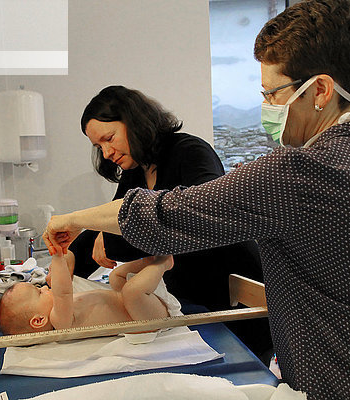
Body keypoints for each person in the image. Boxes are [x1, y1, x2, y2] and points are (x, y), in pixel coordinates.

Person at [42, 1, 350, 398]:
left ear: (321, 90)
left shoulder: (301, 172)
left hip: (348, 385)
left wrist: (70, 220)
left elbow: (167, 215)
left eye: (273, 93)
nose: (268, 106)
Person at [64, 85, 271, 360]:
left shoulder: (190, 152)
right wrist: (67, 259)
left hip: (231, 294)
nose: (106, 153)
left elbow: (193, 221)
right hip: (190, 296)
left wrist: (111, 236)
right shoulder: (135, 172)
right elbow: (111, 223)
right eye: (98, 146)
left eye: (109, 138)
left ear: (134, 122)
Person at [0, 254, 179, 335]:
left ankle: (149, 261)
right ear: (39, 321)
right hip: (146, 318)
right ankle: (162, 263)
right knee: (131, 292)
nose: (44, 287)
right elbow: (63, 293)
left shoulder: (60, 314)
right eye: (38, 292)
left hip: (137, 306)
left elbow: (62, 293)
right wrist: (58, 256)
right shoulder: (61, 323)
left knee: (116, 276)